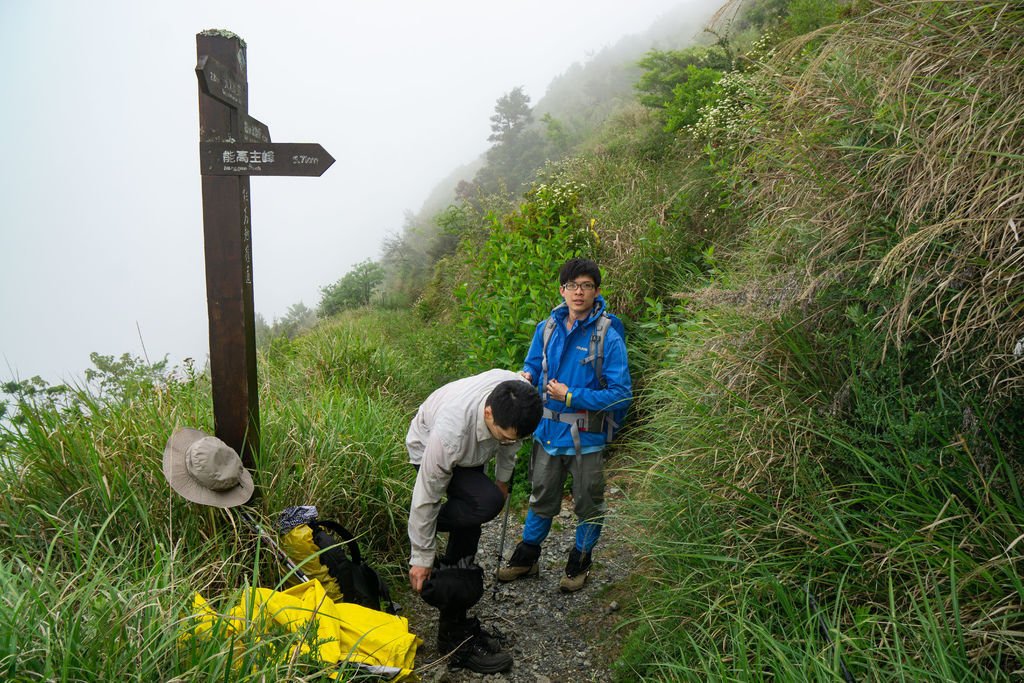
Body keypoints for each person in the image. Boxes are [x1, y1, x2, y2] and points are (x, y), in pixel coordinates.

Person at [497, 258, 632, 592]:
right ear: (562, 290)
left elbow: (620, 395)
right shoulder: (547, 328)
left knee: (588, 503)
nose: (579, 292)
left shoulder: (608, 336)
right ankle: (527, 557)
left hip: (587, 436)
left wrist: (571, 396)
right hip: (547, 432)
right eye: (572, 285)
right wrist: (527, 376)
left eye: (586, 285)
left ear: (596, 291)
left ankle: (580, 561)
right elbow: (532, 365)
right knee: (541, 497)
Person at [406, 369, 543, 674]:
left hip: (474, 448)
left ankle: (456, 620)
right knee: (477, 509)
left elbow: (510, 443)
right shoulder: (450, 436)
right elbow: (427, 493)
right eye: (505, 435)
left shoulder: (518, 395)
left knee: (478, 513)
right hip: (428, 443)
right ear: (489, 412)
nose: (510, 442)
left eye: (516, 437)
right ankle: (453, 641)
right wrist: (421, 556)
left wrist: (503, 481)